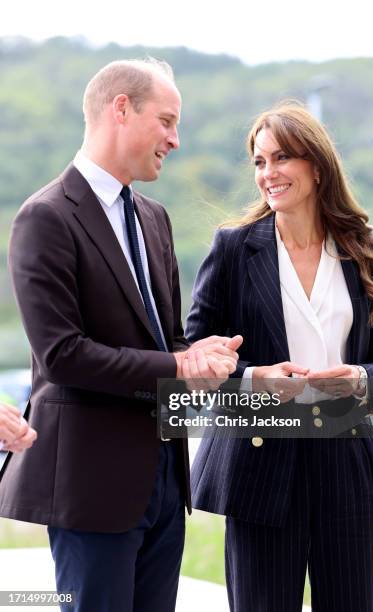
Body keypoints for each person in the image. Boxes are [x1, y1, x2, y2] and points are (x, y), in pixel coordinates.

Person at [0, 58, 242, 612]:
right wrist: (177, 366)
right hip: (92, 487)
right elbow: (62, 355)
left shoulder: (155, 218)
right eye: (167, 120)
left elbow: (167, 343)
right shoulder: (45, 217)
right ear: (121, 109)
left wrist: (197, 357)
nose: (175, 140)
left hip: (163, 480)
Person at [186, 101, 373, 612]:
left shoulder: (361, 251)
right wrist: (254, 378)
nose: (268, 173)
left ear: (317, 166)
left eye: (281, 158)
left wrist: (357, 378)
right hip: (261, 464)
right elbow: (192, 357)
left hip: (344, 462)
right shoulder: (234, 248)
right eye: (259, 162)